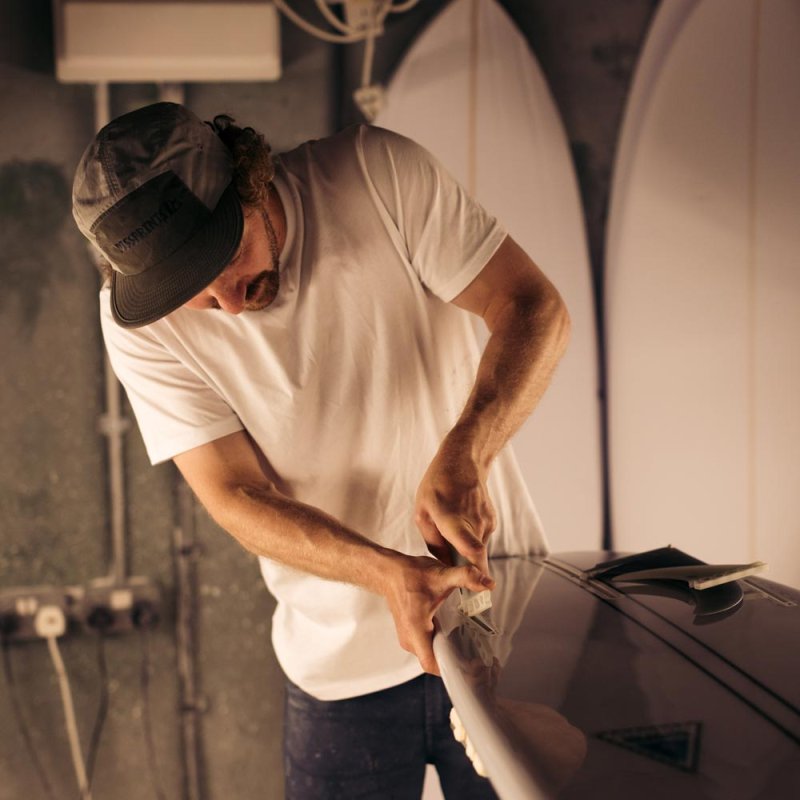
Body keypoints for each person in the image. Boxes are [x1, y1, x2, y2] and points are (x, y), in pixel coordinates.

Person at [72, 102, 570, 799]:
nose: (230, 304)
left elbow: (531, 306)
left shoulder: (378, 175)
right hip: (334, 664)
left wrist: (468, 450)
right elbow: (233, 494)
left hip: (496, 615)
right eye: (191, 290)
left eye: (224, 255)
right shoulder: (139, 329)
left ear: (249, 179)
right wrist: (386, 573)